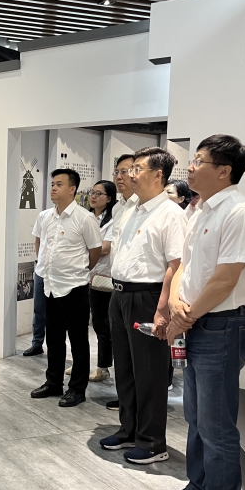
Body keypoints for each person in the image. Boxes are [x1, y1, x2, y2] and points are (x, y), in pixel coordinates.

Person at [161, 135, 245, 490]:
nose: (190, 167)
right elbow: (184, 265)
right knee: (195, 415)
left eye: (199, 160)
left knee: (216, 421)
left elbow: (225, 280)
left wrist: (184, 318)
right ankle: (200, 486)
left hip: (222, 324)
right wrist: (175, 302)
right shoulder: (200, 209)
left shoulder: (240, 213)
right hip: (197, 320)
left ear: (224, 171)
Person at [99, 147, 187, 464]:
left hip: (148, 297)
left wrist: (163, 308)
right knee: (124, 368)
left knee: (149, 372)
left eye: (137, 168)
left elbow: (176, 265)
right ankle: (129, 429)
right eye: (129, 169)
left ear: (158, 175)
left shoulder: (171, 214)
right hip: (120, 294)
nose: (130, 174)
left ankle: (152, 442)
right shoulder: (130, 209)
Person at [30, 169, 102, 407]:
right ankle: (53, 382)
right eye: (52, 183)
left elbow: (95, 251)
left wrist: (80, 270)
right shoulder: (45, 216)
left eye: (59, 184)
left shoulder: (84, 218)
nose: (53, 188)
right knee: (54, 338)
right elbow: (40, 243)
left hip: (74, 287)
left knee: (78, 341)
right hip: (50, 285)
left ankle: (77, 389)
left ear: (72, 189)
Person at [103, 154, 139, 411]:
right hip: (117, 286)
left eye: (126, 171)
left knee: (140, 356)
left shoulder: (145, 207)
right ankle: (126, 401)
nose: (120, 176)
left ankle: (137, 406)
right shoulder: (118, 208)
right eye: (117, 171)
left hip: (141, 289)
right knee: (122, 352)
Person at [87, 180, 118, 382]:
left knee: (102, 324)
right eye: (93, 192)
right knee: (84, 323)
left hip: (102, 279)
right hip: (84, 276)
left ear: (109, 198)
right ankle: (83, 363)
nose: (94, 196)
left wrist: (84, 249)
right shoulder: (87, 218)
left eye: (99, 193)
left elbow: (105, 249)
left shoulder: (112, 221)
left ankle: (103, 367)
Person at [164, 179, 193, 389]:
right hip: (174, 292)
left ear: (182, 198)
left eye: (170, 193)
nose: (165, 196)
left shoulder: (179, 217)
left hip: (183, 294)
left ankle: (167, 377)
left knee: (174, 336)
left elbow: (178, 262)